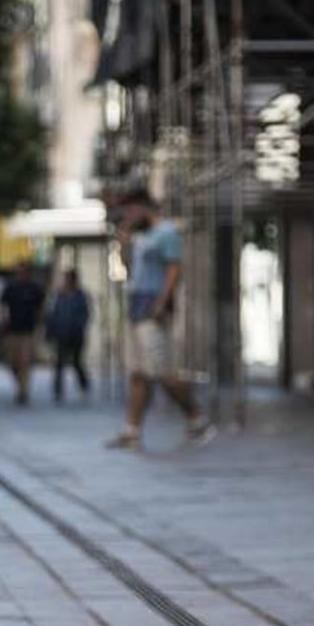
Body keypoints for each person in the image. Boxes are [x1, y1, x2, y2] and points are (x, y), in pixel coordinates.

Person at [106, 188, 211, 449]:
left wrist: (162, 303)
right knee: (138, 372)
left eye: (130, 209)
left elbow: (174, 269)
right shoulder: (141, 236)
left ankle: (197, 418)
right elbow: (127, 268)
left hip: (152, 306)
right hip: (136, 306)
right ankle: (132, 431)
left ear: (143, 206)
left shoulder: (167, 232)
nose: (127, 215)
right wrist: (123, 238)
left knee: (162, 371)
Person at [0, 261, 47, 405]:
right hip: (11, 331)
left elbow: (42, 307)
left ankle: (23, 391)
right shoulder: (11, 287)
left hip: (28, 332)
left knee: (25, 362)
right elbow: (1, 306)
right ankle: (20, 384)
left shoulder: (34, 288)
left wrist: (40, 324)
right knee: (12, 363)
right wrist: (0, 322)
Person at [46, 269, 91, 403]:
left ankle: (83, 387)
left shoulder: (80, 295)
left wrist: (78, 327)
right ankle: (58, 391)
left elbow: (85, 315)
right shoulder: (59, 295)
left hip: (76, 335)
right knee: (59, 363)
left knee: (77, 362)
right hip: (61, 334)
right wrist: (51, 331)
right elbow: (54, 314)